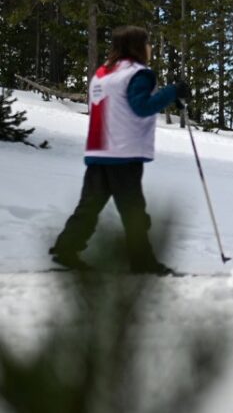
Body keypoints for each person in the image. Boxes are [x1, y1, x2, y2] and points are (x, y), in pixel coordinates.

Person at [49, 26, 191, 274]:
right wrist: (173, 92)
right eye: (148, 43)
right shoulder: (139, 74)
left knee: (89, 206)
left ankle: (66, 248)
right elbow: (141, 107)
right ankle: (142, 262)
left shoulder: (103, 73)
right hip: (123, 152)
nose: (150, 48)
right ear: (138, 46)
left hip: (98, 150)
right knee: (133, 210)